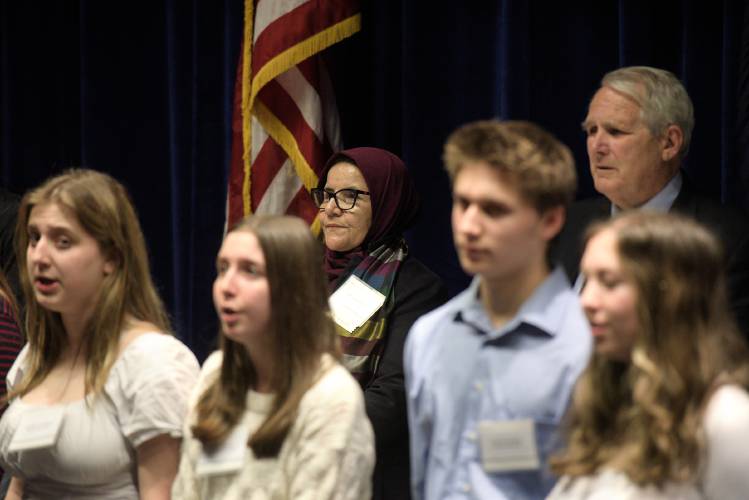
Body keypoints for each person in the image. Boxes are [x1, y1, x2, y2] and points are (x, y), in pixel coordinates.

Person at [405, 120, 592, 500]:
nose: (469, 226)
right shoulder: (429, 335)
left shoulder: (588, 345)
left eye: (493, 209)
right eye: (462, 204)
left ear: (551, 220)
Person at [0, 169, 200, 499]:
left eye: (62, 241)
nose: (39, 256)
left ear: (112, 256)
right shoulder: (34, 357)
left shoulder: (154, 362)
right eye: (35, 238)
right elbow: (19, 485)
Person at [548, 211, 749, 499]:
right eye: (588, 280)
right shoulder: (611, 406)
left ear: (667, 296)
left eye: (609, 282)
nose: (586, 301)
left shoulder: (726, 419)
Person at [172, 215, 374, 499]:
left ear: (293, 289)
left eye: (250, 271)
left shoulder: (331, 397)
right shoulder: (214, 375)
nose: (226, 287)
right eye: (223, 268)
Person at [552, 65, 749, 337]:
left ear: (669, 143)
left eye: (615, 132)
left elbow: (728, 359)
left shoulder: (727, 240)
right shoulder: (567, 224)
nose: (597, 147)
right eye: (591, 131)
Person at [312, 147, 448, 499]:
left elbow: (394, 396)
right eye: (326, 195)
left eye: (350, 196)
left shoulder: (416, 287)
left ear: (388, 203)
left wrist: (313, 437)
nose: (330, 208)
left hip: (366, 475)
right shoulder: (300, 269)